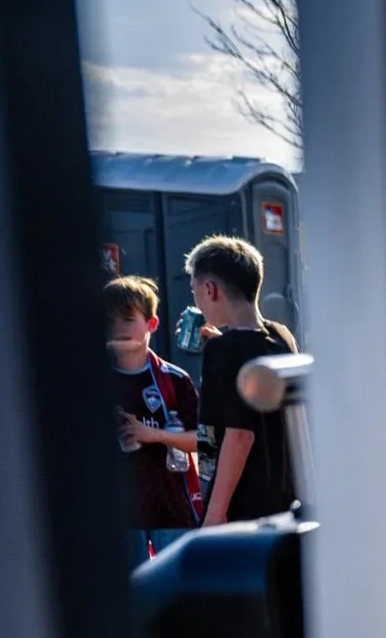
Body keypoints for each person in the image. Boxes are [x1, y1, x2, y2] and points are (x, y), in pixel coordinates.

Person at [187, 235, 299, 525]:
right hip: (283, 500)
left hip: (240, 508)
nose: (196, 301)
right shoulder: (282, 337)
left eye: (195, 291)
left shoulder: (222, 351)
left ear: (210, 289)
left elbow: (239, 435)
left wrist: (215, 511)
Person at [104, 276, 201, 564]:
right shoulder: (93, 383)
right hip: (120, 517)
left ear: (152, 324)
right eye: (110, 321)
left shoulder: (175, 380)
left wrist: (152, 434)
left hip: (173, 513)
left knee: (177, 602)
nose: (119, 328)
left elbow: (207, 442)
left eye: (128, 319)